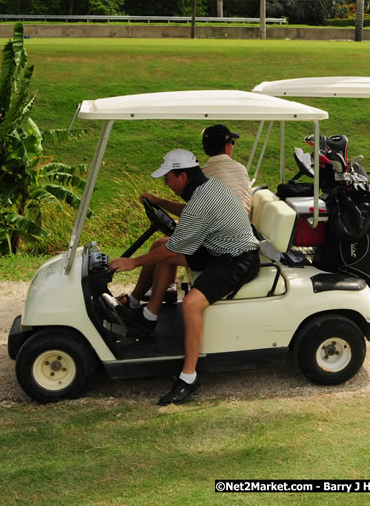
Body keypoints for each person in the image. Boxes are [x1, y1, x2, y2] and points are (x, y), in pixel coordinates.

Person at [109, 149, 260, 405]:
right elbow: (186, 214)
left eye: (168, 178)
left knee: (191, 303)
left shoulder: (203, 199)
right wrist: (160, 202)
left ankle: (189, 377)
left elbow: (176, 246)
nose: (166, 183)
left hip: (237, 259)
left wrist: (132, 262)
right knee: (159, 246)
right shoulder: (207, 187)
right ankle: (147, 315)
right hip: (216, 248)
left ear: (182, 176)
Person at [117, 124, 252, 310]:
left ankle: (139, 304)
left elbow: (198, 212)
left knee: (162, 248)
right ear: (228, 146)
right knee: (164, 247)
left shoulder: (204, 175)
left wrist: (133, 262)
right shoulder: (240, 169)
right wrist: (160, 202)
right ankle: (160, 295)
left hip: (226, 245)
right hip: (231, 233)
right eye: (232, 143)